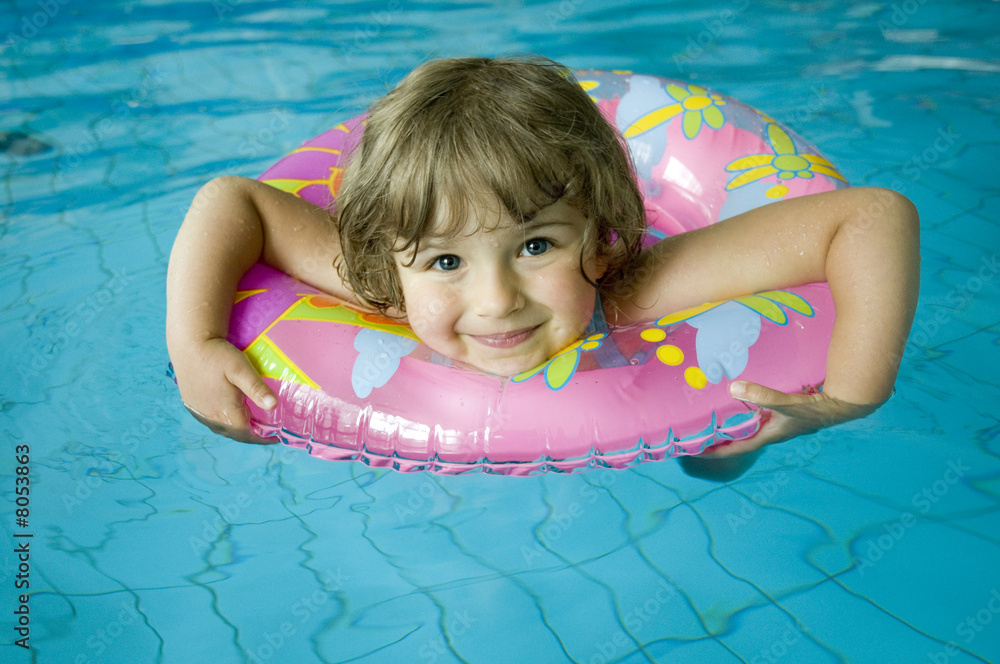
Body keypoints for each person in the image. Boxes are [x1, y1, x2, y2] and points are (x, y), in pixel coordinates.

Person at [166, 56, 919, 458]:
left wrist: (849, 399)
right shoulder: (384, 282)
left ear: (596, 238)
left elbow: (874, 217)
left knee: (717, 456)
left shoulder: (635, 287)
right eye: (446, 263)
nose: (495, 300)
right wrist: (195, 344)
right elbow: (234, 200)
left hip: (678, 397)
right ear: (389, 258)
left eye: (535, 246)